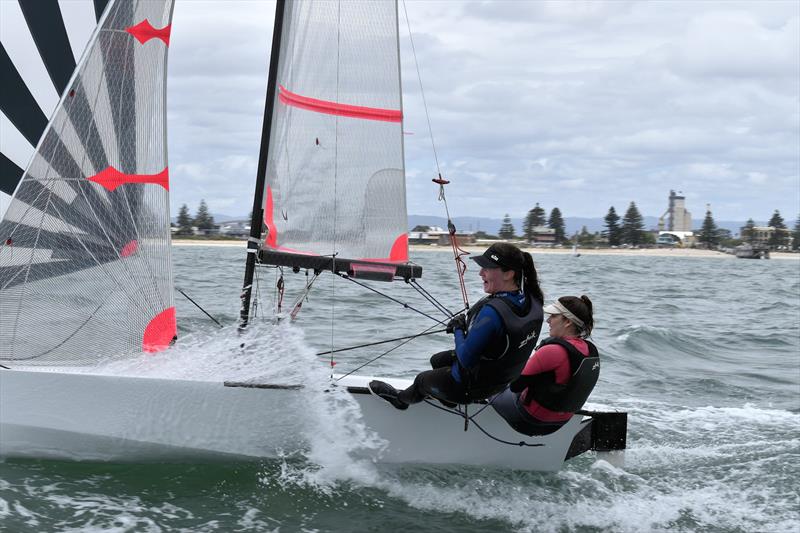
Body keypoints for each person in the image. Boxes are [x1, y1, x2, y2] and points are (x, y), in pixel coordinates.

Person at [369, 243, 544, 410]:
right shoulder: (532, 301)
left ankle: (400, 401)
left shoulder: (492, 313)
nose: (481, 273)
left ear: (508, 274)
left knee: (421, 380)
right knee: (437, 360)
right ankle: (448, 398)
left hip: (472, 388)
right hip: (499, 381)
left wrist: (458, 329)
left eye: (487, 268)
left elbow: (466, 359)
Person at [490, 295, 599, 436]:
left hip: (529, 420)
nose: (548, 320)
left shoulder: (552, 351)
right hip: (560, 423)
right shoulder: (589, 350)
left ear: (567, 322)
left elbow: (516, 386)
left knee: (490, 384)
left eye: (553, 316)